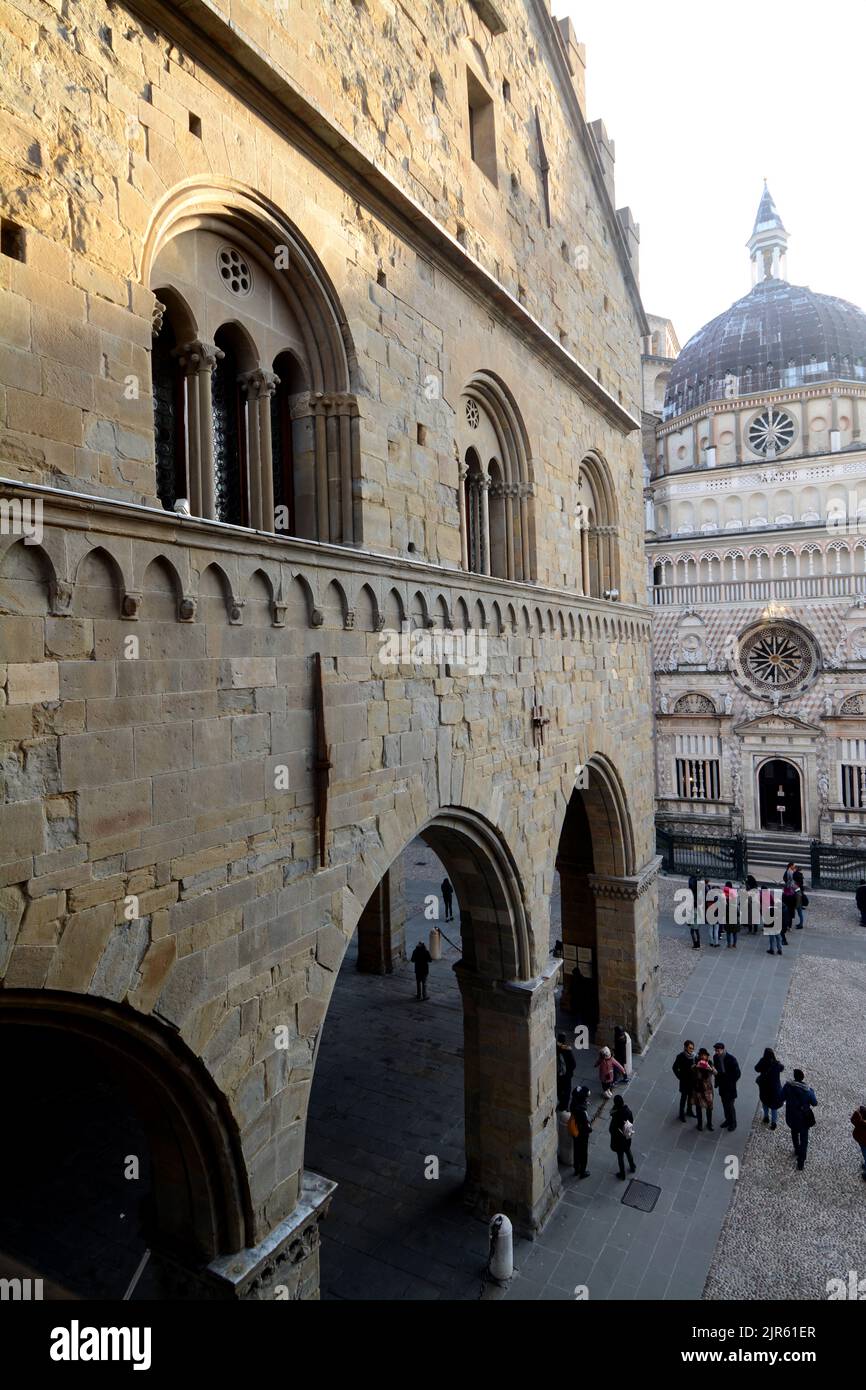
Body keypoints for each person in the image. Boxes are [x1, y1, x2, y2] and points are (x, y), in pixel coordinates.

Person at [781, 1068, 818, 1170]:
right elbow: (815, 1103)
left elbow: (781, 1097)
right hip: (803, 1119)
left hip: (791, 1116)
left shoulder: (788, 1086)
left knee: (794, 1132)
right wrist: (812, 1092)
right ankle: (801, 1161)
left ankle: (796, 1149)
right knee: (804, 1140)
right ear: (802, 1078)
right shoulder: (808, 1091)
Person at [754, 1047, 784, 1129]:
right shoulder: (776, 1064)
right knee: (774, 1107)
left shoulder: (762, 1061)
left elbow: (756, 1068)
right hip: (775, 1089)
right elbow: (782, 1068)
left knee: (765, 1103)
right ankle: (773, 1123)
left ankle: (766, 1117)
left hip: (765, 1087)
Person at [713, 1042, 741, 1131]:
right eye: (716, 1051)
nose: (717, 1052)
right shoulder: (715, 1057)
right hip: (722, 1085)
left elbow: (737, 1074)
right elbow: (717, 1070)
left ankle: (733, 1123)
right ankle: (728, 1120)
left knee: (730, 1106)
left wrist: (730, 1081)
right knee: (724, 1104)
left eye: (718, 1051)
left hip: (730, 1086)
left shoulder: (731, 1059)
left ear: (723, 1049)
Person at [609, 1094, 636, 1180]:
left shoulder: (616, 1115)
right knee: (628, 1151)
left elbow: (612, 1129)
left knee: (620, 1156)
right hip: (627, 1136)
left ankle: (622, 1173)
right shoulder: (628, 1111)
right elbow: (631, 1121)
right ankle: (632, 1166)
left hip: (618, 1139)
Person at [690, 1049, 717, 1132]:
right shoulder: (696, 1061)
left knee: (709, 1107)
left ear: (707, 1056)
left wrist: (710, 1068)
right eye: (701, 1055)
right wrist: (696, 1066)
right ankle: (699, 1124)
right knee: (698, 1107)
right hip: (698, 1088)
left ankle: (709, 1123)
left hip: (707, 1089)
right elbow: (691, 1069)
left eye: (704, 1055)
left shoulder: (710, 1063)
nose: (702, 1057)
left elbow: (716, 1073)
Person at [569, 1085, 592, 1179]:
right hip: (582, 1134)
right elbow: (587, 1125)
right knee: (583, 1153)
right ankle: (583, 1171)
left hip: (575, 1132)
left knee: (576, 1150)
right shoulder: (583, 1111)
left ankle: (576, 1169)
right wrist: (589, 1129)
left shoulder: (573, 1104)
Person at [672, 1039, 696, 1122]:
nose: (692, 1050)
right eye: (690, 1048)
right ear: (685, 1047)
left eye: (692, 1048)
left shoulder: (694, 1056)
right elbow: (674, 1068)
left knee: (691, 1097)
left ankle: (689, 1110)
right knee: (683, 1098)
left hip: (692, 1081)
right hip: (685, 1081)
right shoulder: (680, 1056)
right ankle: (681, 1114)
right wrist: (680, 1077)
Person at [556, 1031, 576, 1112]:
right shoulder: (567, 1050)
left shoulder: (556, 1048)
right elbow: (573, 1064)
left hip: (558, 1074)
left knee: (559, 1089)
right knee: (567, 1090)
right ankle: (564, 1106)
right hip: (566, 1075)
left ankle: (561, 1103)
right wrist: (569, 1072)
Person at [850, 1104, 866, 1181]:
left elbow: (853, 1119)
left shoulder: (860, 1122)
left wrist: (858, 1112)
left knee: (865, 1154)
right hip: (862, 1140)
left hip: (863, 1140)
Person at [722, 883, 739, 947]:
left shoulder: (727, 906)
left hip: (728, 921)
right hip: (734, 921)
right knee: (734, 933)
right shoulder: (735, 907)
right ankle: (734, 944)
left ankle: (729, 944)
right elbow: (738, 914)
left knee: (728, 933)